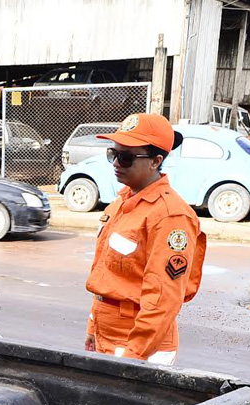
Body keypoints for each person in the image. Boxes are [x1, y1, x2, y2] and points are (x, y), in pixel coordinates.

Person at [84, 113, 206, 365]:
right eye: (113, 154)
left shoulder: (170, 216)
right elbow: (106, 276)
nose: (116, 163)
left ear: (156, 161)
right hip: (108, 335)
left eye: (126, 157)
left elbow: (163, 300)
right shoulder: (122, 202)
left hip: (139, 344)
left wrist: (133, 357)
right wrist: (93, 327)